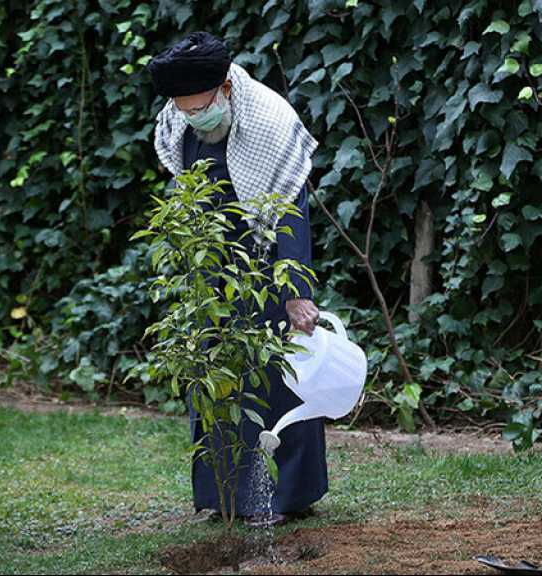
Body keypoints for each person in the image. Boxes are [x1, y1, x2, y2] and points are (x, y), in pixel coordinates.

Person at [146, 31, 326, 526]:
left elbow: (291, 209)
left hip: (266, 266)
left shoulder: (269, 119)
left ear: (225, 88)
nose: (190, 116)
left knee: (278, 380)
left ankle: (287, 498)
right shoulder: (179, 122)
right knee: (214, 380)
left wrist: (296, 296)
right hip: (212, 272)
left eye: (198, 107)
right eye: (182, 109)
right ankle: (222, 497)